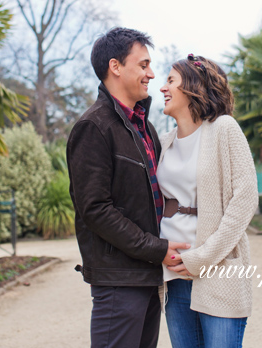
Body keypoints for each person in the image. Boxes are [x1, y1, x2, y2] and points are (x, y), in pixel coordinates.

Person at [66, 27, 190, 348]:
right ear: (115, 67)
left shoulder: (144, 127)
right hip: (119, 280)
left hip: (148, 276)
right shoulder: (93, 127)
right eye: (144, 64)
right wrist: (157, 249)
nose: (151, 74)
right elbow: (95, 209)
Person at [157, 54, 259, 348]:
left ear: (192, 86)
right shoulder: (163, 142)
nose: (162, 88)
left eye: (171, 81)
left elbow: (245, 200)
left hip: (219, 269)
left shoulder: (224, 129)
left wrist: (201, 258)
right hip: (174, 273)